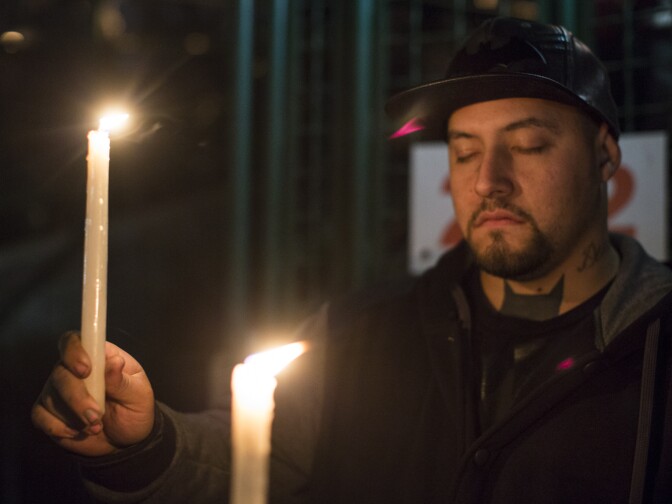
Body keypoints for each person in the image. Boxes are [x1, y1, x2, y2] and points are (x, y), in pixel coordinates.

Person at [32, 16, 672, 504]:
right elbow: (255, 452)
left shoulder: (655, 344)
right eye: (465, 150)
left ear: (606, 156)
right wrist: (143, 443)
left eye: (529, 144)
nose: (488, 181)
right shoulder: (362, 328)